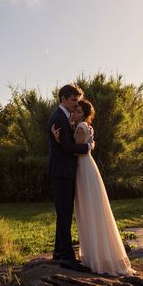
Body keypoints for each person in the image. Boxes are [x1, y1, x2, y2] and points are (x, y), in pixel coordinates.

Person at [69, 99, 134, 276]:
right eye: (74, 111)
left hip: (83, 168)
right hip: (86, 167)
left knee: (89, 209)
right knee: (92, 209)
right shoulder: (85, 126)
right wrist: (89, 145)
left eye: (78, 111)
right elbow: (85, 146)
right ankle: (96, 255)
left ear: (85, 115)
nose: (74, 114)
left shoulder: (81, 125)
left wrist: (62, 140)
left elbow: (76, 150)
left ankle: (96, 258)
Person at [46, 84, 94, 272]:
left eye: (77, 100)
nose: (76, 104)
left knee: (64, 213)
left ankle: (59, 252)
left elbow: (65, 143)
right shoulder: (58, 117)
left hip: (64, 171)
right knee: (65, 214)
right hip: (61, 172)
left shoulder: (64, 117)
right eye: (73, 100)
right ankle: (67, 258)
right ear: (63, 99)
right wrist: (87, 148)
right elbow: (66, 147)